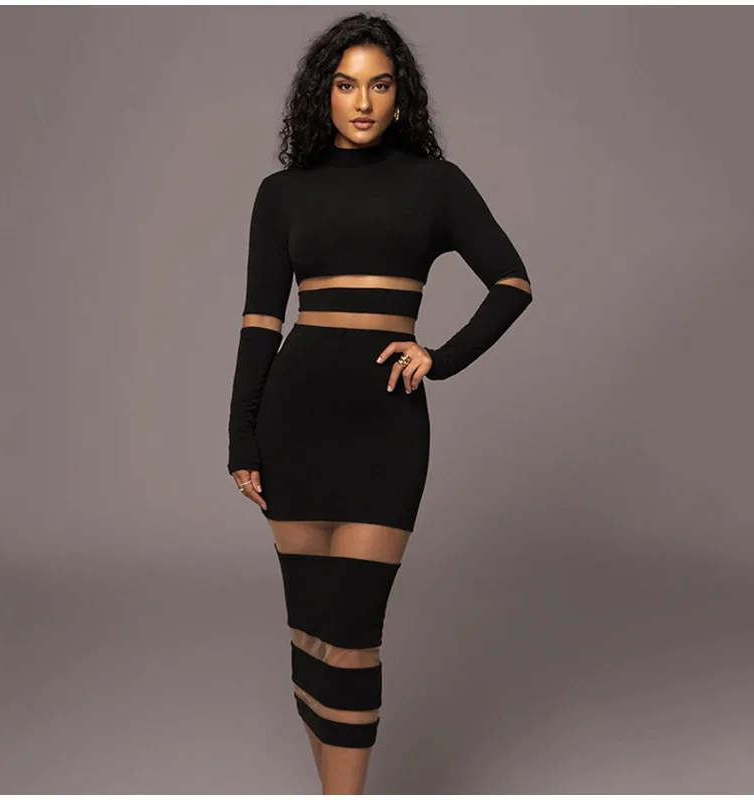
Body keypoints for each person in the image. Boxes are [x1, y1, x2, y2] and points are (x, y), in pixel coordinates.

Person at [227, 12, 533, 794]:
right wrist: (242, 438)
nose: (363, 101)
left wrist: (440, 357)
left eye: (380, 84)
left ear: (402, 95)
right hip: (293, 423)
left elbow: (512, 283)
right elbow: (261, 322)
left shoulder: (436, 183)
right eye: (346, 84)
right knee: (309, 633)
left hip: (384, 427)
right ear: (323, 93)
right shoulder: (281, 193)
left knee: (353, 632)